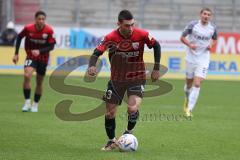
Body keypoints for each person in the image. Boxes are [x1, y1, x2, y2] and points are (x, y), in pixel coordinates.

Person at [87, 9, 161, 150]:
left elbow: (156, 45)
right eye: (127, 25)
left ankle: (127, 133)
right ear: (119, 24)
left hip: (137, 77)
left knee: (132, 108)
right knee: (110, 113)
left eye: (132, 24)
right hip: (116, 79)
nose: (130, 28)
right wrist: (91, 66)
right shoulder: (110, 37)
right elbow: (96, 52)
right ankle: (111, 141)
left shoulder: (142, 34)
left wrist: (156, 68)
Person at [12, 11, 56, 112]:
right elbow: (19, 37)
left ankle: (35, 104)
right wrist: (16, 53)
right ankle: (27, 102)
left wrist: (39, 51)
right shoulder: (28, 28)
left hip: (43, 58)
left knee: (39, 82)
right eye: (39, 19)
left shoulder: (49, 30)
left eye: (43, 19)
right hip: (30, 56)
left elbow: (52, 46)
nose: (41, 21)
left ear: (45, 20)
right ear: (35, 19)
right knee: (27, 75)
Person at [180, 8, 217, 117]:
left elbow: (214, 39)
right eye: (204, 14)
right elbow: (182, 37)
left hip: (203, 58)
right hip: (191, 57)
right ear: (200, 15)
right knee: (189, 83)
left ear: (211, 17)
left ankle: (189, 109)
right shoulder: (193, 25)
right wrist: (190, 45)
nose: (206, 16)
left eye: (208, 15)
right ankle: (187, 97)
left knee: (197, 83)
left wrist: (211, 45)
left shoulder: (213, 28)